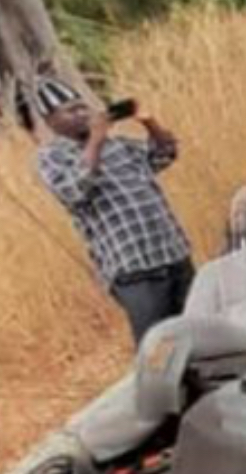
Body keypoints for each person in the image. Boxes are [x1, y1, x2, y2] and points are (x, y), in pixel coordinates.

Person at [31, 76, 194, 344]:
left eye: (83, 107)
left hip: (173, 253)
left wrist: (148, 121)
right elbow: (75, 189)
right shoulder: (52, 157)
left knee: (197, 333)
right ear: (51, 122)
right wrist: (95, 140)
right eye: (71, 111)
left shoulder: (119, 144)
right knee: (157, 345)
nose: (82, 114)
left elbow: (164, 154)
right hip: (134, 270)